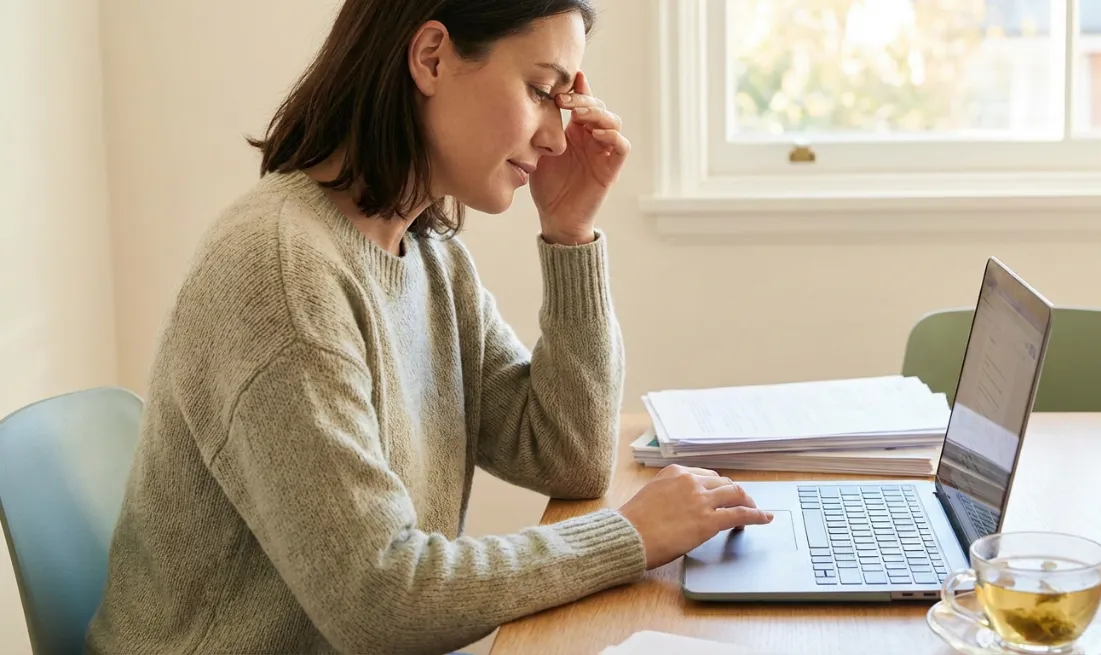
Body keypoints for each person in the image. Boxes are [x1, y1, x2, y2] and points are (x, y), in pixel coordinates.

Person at [85, 1, 773, 653]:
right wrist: (627, 536)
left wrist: (570, 233)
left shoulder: (429, 258)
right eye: (541, 90)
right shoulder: (281, 272)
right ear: (432, 57)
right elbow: (381, 599)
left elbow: (566, 452)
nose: (557, 136)